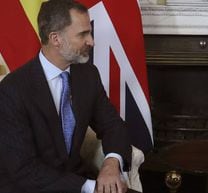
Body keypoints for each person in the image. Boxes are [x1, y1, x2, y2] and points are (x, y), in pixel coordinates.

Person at [0, 1, 139, 193]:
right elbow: (23, 170)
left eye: (89, 32)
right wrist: (91, 188)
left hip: (77, 180)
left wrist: (111, 162)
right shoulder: (12, 90)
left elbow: (113, 125)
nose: (91, 41)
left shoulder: (88, 75)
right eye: (83, 34)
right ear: (56, 39)